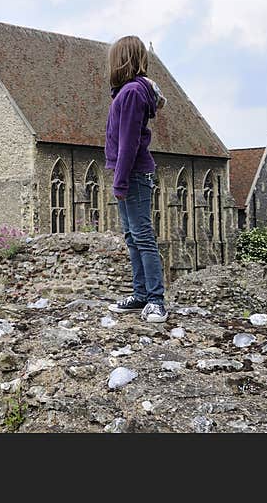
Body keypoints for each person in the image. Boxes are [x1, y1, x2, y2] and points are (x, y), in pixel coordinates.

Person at [105, 35, 167, 323]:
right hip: (131, 173)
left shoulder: (130, 93)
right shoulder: (128, 91)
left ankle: (156, 300)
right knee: (132, 236)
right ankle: (141, 294)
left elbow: (128, 142)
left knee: (142, 236)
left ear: (122, 61)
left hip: (134, 173)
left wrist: (120, 181)